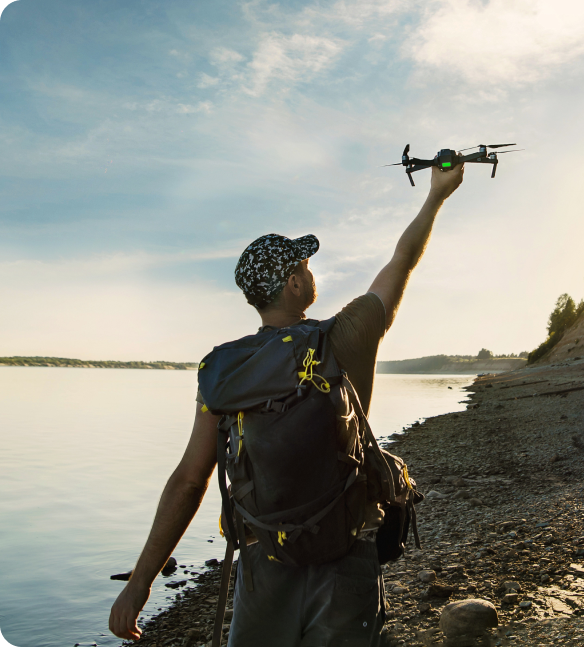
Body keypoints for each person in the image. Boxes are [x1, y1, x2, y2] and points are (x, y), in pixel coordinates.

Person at [109, 163, 464, 645]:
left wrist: (140, 582)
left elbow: (191, 478)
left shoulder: (223, 371)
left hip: (263, 560)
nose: (309, 271)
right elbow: (402, 260)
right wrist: (437, 196)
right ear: (294, 285)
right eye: (303, 265)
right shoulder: (344, 337)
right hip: (345, 557)